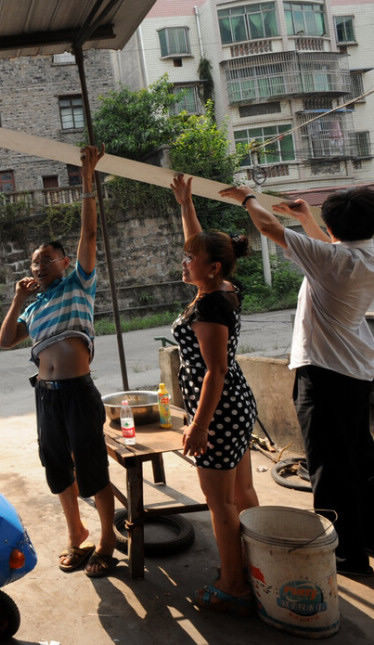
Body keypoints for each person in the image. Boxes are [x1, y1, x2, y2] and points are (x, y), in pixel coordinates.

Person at [219, 183, 374, 577]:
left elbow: (270, 228)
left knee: (329, 468)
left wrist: (247, 198)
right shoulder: (362, 255)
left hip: (326, 375)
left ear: (333, 226)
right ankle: (366, 537)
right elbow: (331, 249)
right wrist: (306, 218)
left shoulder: (335, 260)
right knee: (358, 462)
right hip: (356, 372)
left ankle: (345, 555)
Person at [0, 144, 118, 578]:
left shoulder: (78, 284)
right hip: (45, 394)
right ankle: (77, 533)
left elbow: (89, 235)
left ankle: (108, 538)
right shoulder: (35, 305)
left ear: (64, 263)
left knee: (91, 467)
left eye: (47, 259)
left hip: (77, 391)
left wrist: (87, 180)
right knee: (56, 466)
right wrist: (17, 299)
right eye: (35, 262)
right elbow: (6, 340)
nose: (40, 265)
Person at [171, 174, 260, 614]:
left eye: (191, 259)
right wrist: (186, 205)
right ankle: (252, 567)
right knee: (242, 494)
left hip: (219, 411)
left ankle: (234, 584)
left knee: (219, 501)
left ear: (213, 268)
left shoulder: (209, 305)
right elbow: (202, 245)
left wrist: (198, 425)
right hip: (238, 406)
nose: (184, 262)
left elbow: (215, 371)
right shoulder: (226, 289)